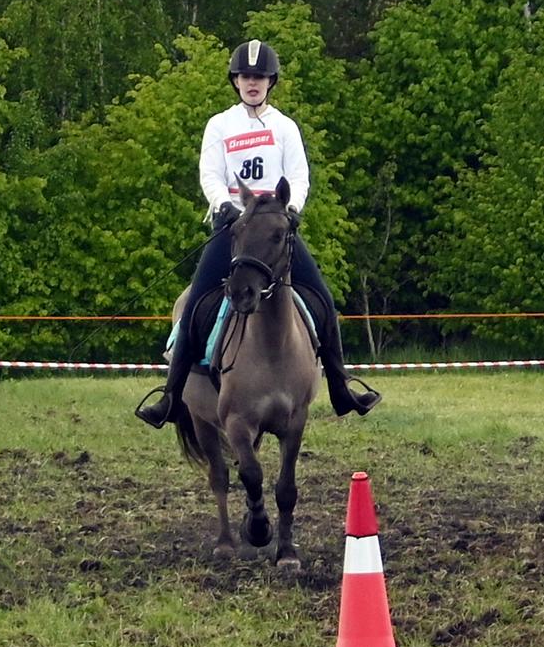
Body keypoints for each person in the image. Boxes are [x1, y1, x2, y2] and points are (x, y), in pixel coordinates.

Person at [135, 39, 381, 428]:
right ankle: (170, 397)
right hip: (234, 226)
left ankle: (341, 387)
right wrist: (225, 207)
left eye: (260, 77)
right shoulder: (220, 125)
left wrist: (291, 209)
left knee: (323, 298)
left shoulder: (285, 127)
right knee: (196, 304)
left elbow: (298, 176)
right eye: (246, 76)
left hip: (276, 229)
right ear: (236, 80)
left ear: (271, 81)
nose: (252, 83)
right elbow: (210, 175)